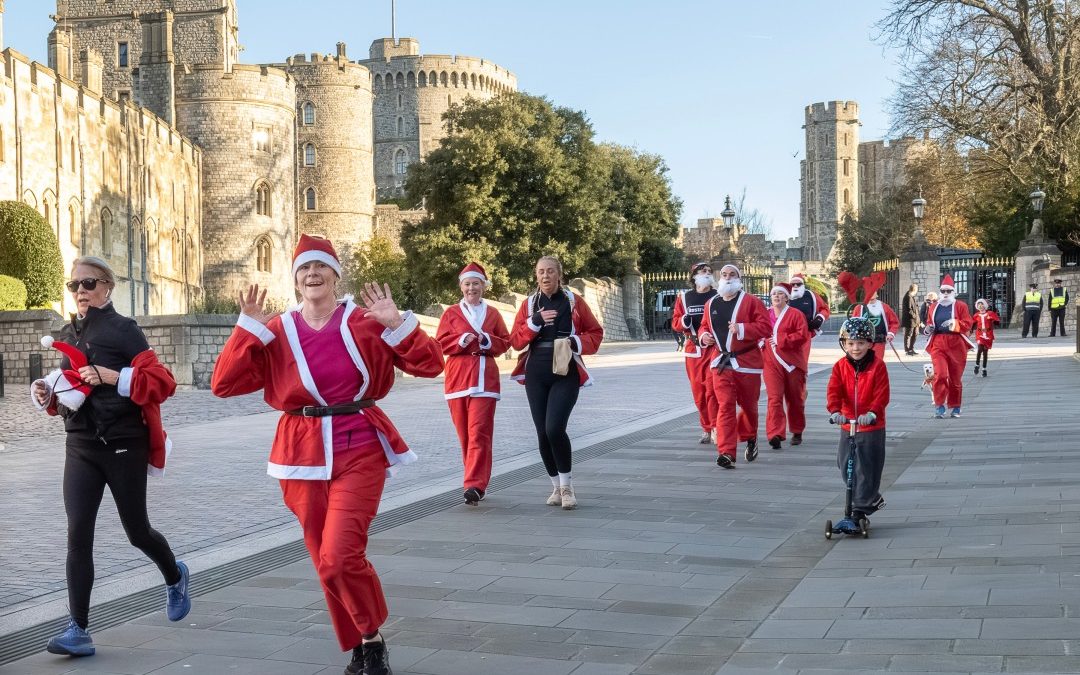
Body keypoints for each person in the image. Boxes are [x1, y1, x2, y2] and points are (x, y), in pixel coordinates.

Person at [211, 234, 444, 675]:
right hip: (299, 451)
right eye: (303, 269)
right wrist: (246, 329)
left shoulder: (366, 321)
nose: (312, 275)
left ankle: (372, 639)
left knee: (340, 555)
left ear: (336, 275)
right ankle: (361, 639)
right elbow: (224, 385)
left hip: (359, 442)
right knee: (323, 558)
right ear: (295, 279)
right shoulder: (277, 329)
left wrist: (397, 323)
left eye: (320, 267)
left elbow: (432, 365)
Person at [30, 256, 190, 658]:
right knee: (77, 534)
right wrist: (46, 394)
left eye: (88, 283)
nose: (80, 292)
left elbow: (163, 382)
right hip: (80, 446)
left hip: (124, 444)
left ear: (107, 287)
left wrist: (116, 377)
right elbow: (70, 388)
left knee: (137, 531)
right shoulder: (70, 332)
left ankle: (174, 575)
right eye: (74, 286)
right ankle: (78, 629)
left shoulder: (125, 330)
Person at [510, 256, 604, 509]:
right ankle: (555, 486)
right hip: (536, 370)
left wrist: (576, 342)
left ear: (559, 274)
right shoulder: (530, 305)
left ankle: (567, 486)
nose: (545, 276)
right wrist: (535, 323)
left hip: (565, 367)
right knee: (542, 433)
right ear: (536, 275)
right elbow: (516, 341)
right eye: (541, 271)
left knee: (554, 428)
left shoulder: (573, 301)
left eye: (550, 271)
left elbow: (596, 332)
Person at [436, 262, 510, 506]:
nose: (471, 288)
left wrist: (487, 340)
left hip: (485, 380)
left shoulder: (493, 314)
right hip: (457, 380)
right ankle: (474, 480)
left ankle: (474, 485)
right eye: (467, 284)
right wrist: (460, 340)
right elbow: (439, 344)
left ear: (484, 287)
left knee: (479, 433)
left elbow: (505, 343)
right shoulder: (451, 314)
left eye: (476, 284)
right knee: (465, 437)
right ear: (461, 287)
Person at [698, 264, 771, 468]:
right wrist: (703, 336)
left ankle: (750, 436)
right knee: (725, 406)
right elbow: (704, 324)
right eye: (724, 274)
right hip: (721, 362)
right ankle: (726, 452)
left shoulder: (752, 302)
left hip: (747, 363)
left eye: (732, 274)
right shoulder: (711, 303)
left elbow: (766, 327)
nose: (728, 277)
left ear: (739, 279)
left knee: (748, 407)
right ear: (718, 278)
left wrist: (742, 328)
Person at [826, 316, 890, 527]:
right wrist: (835, 411)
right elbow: (834, 391)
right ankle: (868, 500)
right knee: (845, 465)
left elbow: (881, 394)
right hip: (848, 424)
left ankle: (859, 510)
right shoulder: (840, 367)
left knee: (867, 467)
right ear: (843, 344)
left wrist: (872, 413)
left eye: (861, 343)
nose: (855, 348)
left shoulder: (877, 366)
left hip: (871, 425)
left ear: (870, 343)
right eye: (851, 343)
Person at [670, 262, 719, 444]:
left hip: (714, 349)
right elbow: (675, 323)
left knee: (712, 390)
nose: (707, 273)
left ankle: (716, 427)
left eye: (709, 271)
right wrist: (684, 320)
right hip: (693, 352)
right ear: (694, 276)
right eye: (703, 271)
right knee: (699, 393)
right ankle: (706, 428)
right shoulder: (684, 298)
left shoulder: (718, 295)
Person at [763, 282, 810, 449]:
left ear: (787, 297)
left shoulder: (796, 314)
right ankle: (775, 433)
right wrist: (759, 341)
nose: (776, 296)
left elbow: (802, 335)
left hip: (792, 363)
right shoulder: (765, 314)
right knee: (774, 398)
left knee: (795, 398)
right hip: (770, 362)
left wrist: (780, 339)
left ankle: (797, 430)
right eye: (774, 293)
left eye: (780, 294)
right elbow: (758, 331)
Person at [923, 273, 975, 419]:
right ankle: (939, 405)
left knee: (955, 378)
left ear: (953, 292)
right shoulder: (933, 306)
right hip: (938, 342)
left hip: (956, 344)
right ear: (940, 292)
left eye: (948, 291)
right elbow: (929, 322)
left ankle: (956, 406)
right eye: (943, 291)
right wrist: (928, 329)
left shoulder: (961, 306)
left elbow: (968, 323)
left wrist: (954, 323)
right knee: (941, 374)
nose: (945, 294)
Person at [969, 298, 1001, 377]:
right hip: (980, 334)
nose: (980, 306)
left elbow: (997, 323)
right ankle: (977, 364)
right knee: (980, 349)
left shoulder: (990, 313)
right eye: (979, 305)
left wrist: (994, 320)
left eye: (982, 304)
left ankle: (984, 369)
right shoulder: (976, 315)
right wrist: (970, 331)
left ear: (985, 306)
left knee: (985, 352)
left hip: (988, 334)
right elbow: (972, 324)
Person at [901, 283, 922, 355]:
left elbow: (915, 309)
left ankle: (911, 348)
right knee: (908, 335)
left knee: (915, 334)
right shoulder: (908, 297)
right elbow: (909, 310)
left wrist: (918, 320)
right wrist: (915, 317)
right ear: (915, 290)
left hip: (915, 321)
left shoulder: (911, 296)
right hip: (910, 320)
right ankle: (907, 350)